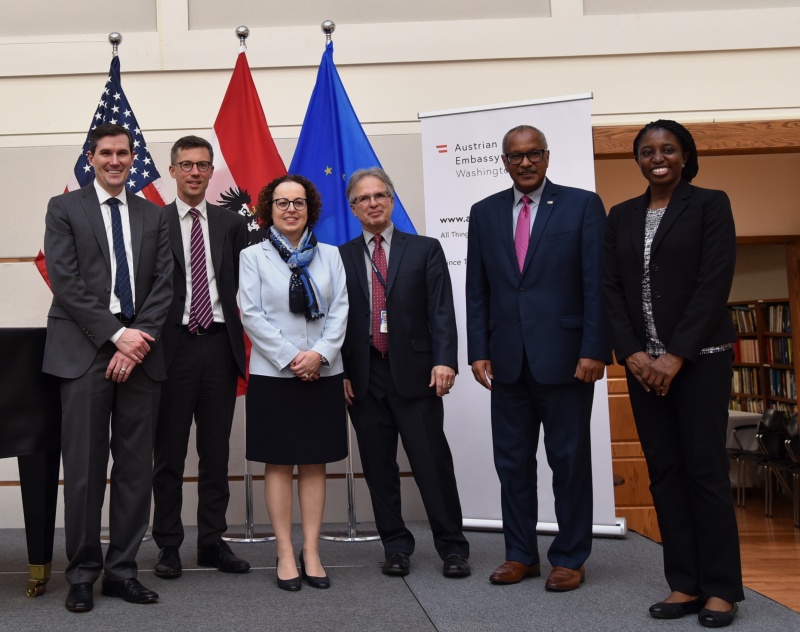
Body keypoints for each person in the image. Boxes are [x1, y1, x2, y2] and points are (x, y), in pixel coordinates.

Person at [602, 119, 743, 627]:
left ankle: (723, 588)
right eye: (647, 151)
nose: (657, 157)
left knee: (704, 471)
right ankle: (684, 583)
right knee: (664, 474)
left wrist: (675, 356)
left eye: (668, 149)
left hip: (699, 361)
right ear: (637, 160)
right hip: (643, 368)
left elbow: (713, 283)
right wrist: (634, 354)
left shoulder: (710, 204)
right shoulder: (620, 216)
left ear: (685, 156)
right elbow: (610, 290)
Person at [466, 125, 609, 591]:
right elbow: (478, 289)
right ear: (503, 161)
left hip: (568, 360)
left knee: (568, 462)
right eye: (515, 156)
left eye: (533, 154)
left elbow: (596, 284)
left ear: (546, 157)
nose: (525, 163)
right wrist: (479, 351)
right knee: (512, 464)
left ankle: (569, 555)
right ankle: (520, 554)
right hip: (507, 361)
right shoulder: (484, 213)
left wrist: (593, 348)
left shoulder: (582, 205)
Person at [42, 123, 172, 611]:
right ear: (91, 158)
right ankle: (81, 573)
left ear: (132, 158)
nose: (115, 160)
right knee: (84, 470)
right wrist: (117, 336)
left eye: (123, 153)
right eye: (106, 153)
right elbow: (66, 281)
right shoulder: (64, 208)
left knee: (137, 470)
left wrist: (134, 343)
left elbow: (164, 286)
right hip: (84, 351)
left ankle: (121, 571)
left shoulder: (154, 216)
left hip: (141, 354)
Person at [340, 167, 471, 579]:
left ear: (392, 200)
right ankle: (395, 547)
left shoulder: (425, 249)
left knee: (432, 463)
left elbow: (442, 310)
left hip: (417, 374)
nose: (373, 203)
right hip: (363, 377)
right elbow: (335, 320)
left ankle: (453, 548)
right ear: (353, 208)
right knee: (379, 469)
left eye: (380, 195)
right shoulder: (339, 256)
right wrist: (339, 370)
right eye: (364, 198)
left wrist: (445, 359)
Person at [239, 174, 348, 591]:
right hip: (274, 374)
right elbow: (252, 315)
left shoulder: (331, 256)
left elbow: (340, 309)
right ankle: (285, 550)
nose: (290, 209)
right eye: (282, 202)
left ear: (310, 208)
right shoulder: (254, 257)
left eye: (298, 202)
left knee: (315, 461)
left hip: (322, 370)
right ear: (270, 209)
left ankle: (312, 551)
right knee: (280, 462)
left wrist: (319, 355)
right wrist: (292, 358)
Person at [151, 135, 250, 579]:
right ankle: (168, 545)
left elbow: (247, 287)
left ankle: (212, 541)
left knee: (215, 453)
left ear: (212, 172)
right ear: (172, 171)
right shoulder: (153, 223)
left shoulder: (232, 225)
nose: (195, 172)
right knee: (168, 453)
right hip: (171, 350)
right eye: (186, 165)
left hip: (219, 344)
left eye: (203, 165)